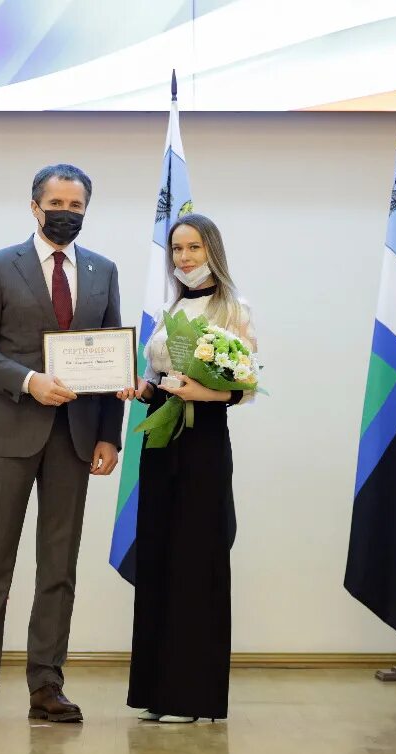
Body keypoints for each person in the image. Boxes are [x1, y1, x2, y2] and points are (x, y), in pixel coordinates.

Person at [0, 164, 125, 725]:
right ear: (34, 206)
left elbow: (113, 357)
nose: (66, 213)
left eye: (77, 205)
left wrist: (108, 434)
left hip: (75, 440)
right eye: (57, 203)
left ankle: (47, 685)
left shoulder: (103, 271)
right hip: (9, 433)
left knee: (59, 567)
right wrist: (29, 381)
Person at [117, 214, 257, 723]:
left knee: (198, 561)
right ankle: (157, 692)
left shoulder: (234, 308)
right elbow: (162, 378)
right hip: (160, 439)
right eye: (177, 249)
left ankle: (193, 697)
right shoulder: (170, 307)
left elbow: (242, 385)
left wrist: (205, 392)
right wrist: (142, 388)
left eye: (193, 248)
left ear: (211, 251)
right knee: (158, 556)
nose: (184, 258)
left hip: (203, 443)